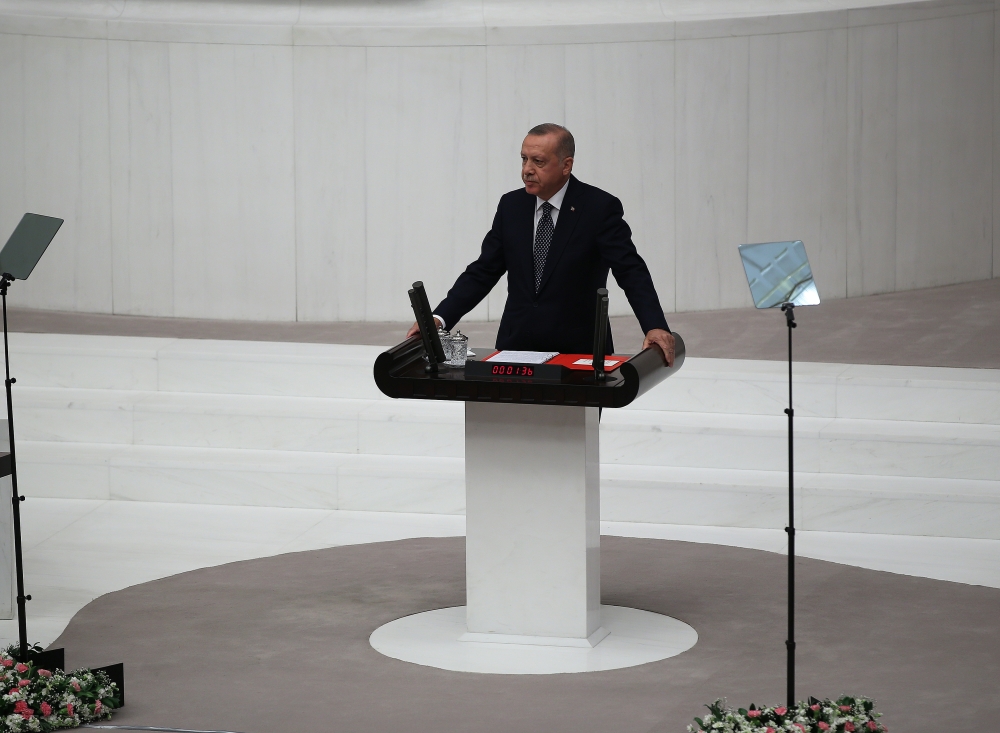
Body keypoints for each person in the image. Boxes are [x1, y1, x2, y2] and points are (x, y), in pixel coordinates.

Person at [407, 123, 675, 366]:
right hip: (516, 348)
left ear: (566, 165)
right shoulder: (511, 206)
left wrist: (654, 326)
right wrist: (439, 319)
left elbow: (630, 270)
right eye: (524, 159)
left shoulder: (598, 208)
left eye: (538, 161)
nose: (527, 170)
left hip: (578, 352)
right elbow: (483, 271)